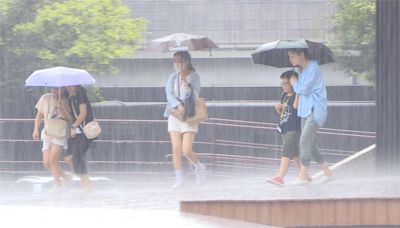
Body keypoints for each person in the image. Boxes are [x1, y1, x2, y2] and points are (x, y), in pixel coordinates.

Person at [288, 48, 333, 185]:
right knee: (311, 145)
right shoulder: (300, 71)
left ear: (301, 55)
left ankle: (303, 176)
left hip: (315, 109)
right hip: (304, 111)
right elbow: (300, 91)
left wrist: (294, 83)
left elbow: (304, 89)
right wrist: (295, 82)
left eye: (292, 56)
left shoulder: (313, 67)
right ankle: (328, 172)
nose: (290, 59)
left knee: (304, 141)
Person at [163, 51, 206, 189]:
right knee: (176, 148)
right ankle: (179, 178)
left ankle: (199, 167)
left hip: (190, 115)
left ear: (186, 62)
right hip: (175, 114)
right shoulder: (172, 77)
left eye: (178, 61)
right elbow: (169, 94)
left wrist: (186, 82)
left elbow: (194, 95)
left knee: (186, 149)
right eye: (174, 61)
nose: (176, 64)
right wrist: (178, 105)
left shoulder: (194, 77)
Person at [32, 87, 71, 191]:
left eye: (57, 89)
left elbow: (71, 118)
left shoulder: (67, 100)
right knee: (47, 162)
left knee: (53, 159)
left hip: (60, 131)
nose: (54, 90)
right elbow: (39, 115)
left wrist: (64, 108)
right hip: (48, 132)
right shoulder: (45, 98)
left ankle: (57, 185)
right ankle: (65, 177)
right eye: (53, 88)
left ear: (62, 90)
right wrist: (36, 129)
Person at [267, 70, 301, 186]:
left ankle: (280, 177)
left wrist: (298, 89)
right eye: (282, 84)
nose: (284, 86)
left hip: (293, 128)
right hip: (284, 127)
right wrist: (278, 107)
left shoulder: (298, 94)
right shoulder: (284, 95)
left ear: (293, 83)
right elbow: (282, 112)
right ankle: (304, 174)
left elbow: (296, 108)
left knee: (286, 151)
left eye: (287, 83)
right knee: (294, 154)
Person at [64, 85, 94, 193]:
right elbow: (72, 118)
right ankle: (85, 181)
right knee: (68, 157)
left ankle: (87, 185)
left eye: (70, 85)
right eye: (66, 85)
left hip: (84, 131)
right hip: (77, 132)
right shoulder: (71, 98)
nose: (68, 87)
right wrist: (63, 108)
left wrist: (73, 126)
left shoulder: (81, 95)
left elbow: (83, 114)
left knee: (77, 157)